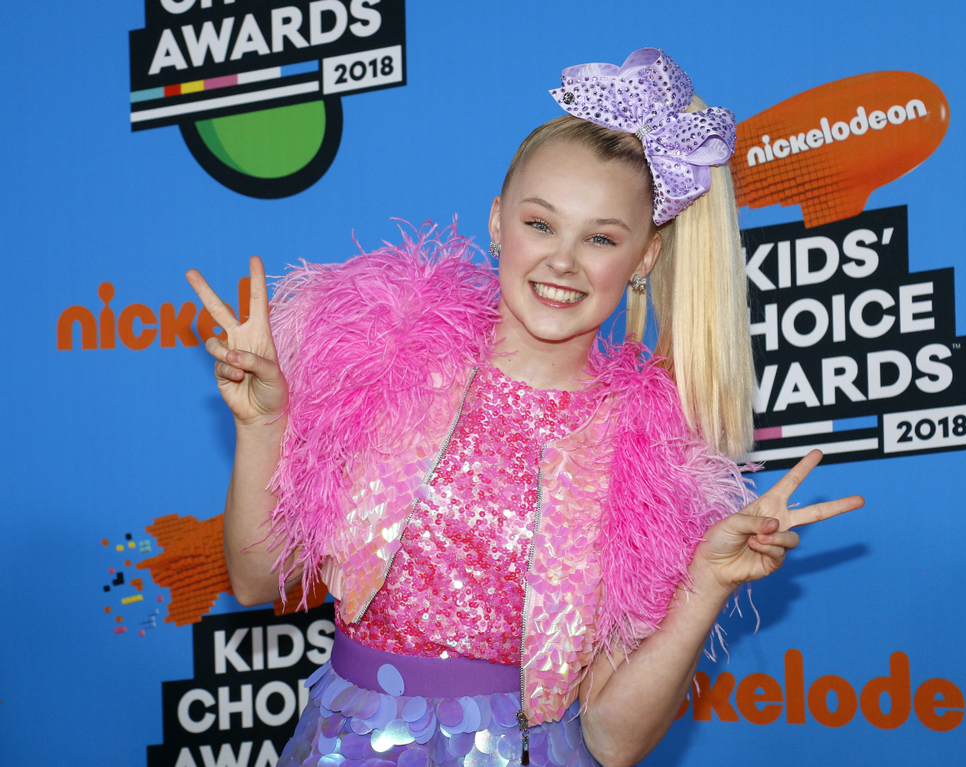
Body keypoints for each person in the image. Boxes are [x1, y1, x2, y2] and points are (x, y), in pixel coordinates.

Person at [187, 49, 863, 767]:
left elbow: (613, 738)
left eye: (601, 237)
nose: (563, 261)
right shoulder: (389, 355)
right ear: (499, 220)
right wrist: (262, 422)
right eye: (542, 224)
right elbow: (256, 581)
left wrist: (708, 584)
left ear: (642, 257)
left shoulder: (653, 457)